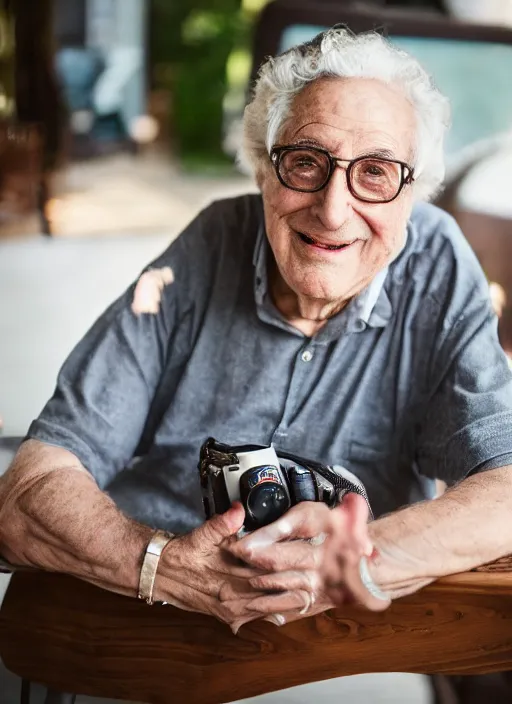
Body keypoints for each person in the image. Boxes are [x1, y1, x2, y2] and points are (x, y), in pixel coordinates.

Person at [1, 25, 512, 641]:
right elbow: (29, 489)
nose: (332, 209)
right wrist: (161, 565)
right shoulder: (209, 245)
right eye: (305, 162)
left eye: (375, 173)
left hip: (332, 651)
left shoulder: (435, 263)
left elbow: (506, 492)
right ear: (262, 172)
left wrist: (348, 560)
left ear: (413, 197)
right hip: (145, 627)